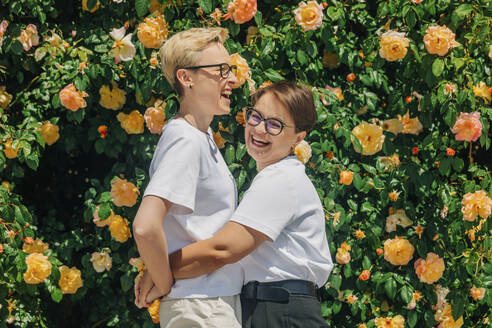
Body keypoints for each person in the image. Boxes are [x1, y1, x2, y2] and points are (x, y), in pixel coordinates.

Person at [167, 81, 333, 328]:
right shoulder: (276, 177)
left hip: (280, 309)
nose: (260, 129)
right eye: (256, 117)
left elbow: (223, 249)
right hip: (272, 307)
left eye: (275, 124)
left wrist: (159, 269)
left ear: (298, 138)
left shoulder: (281, 178)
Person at [132, 27, 243, 327]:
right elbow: (145, 226)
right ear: (186, 78)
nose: (232, 79)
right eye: (221, 70)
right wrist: (163, 282)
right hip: (201, 306)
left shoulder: (198, 137)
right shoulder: (186, 139)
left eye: (230, 69)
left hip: (207, 302)